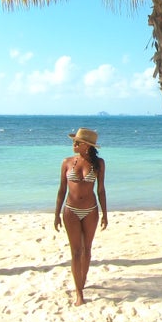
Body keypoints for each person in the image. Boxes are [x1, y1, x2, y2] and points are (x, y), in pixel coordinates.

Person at [54, 128, 107, 306]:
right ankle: (79, 293)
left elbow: (101, 190)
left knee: (87, 249)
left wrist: (105, 213)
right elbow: (62, 190)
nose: (74, 144)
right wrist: (56, 214)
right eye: (74, 141)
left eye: (77, 142)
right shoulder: (66, 162)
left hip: (91, 210)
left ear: (87, 146)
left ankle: (82, 280)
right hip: (71, 211)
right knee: (76, 252)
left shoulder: (99, 163)